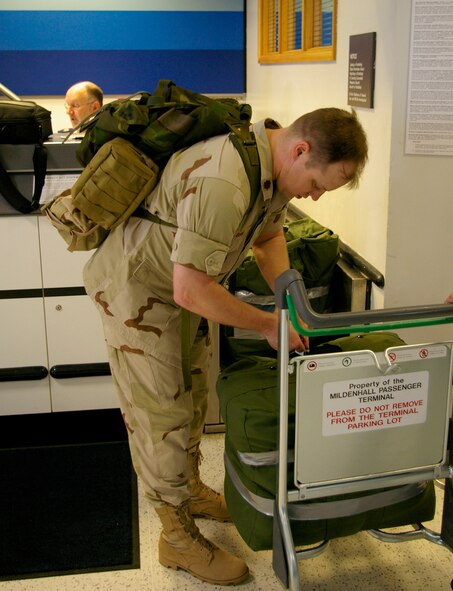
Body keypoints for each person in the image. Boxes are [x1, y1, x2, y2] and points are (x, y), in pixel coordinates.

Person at [83, 108, 368, 585]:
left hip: (182, 287)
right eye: (319, 183)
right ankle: (175, 539)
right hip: (139, 291)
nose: (316, 195)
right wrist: (266, 325)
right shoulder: (225, 179)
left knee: (193, 395)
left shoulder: (272, 171)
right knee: (161, 416)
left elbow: (269, 236)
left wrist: (291, 307)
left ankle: (190, 489)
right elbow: (189, 289)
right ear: (300, 150)